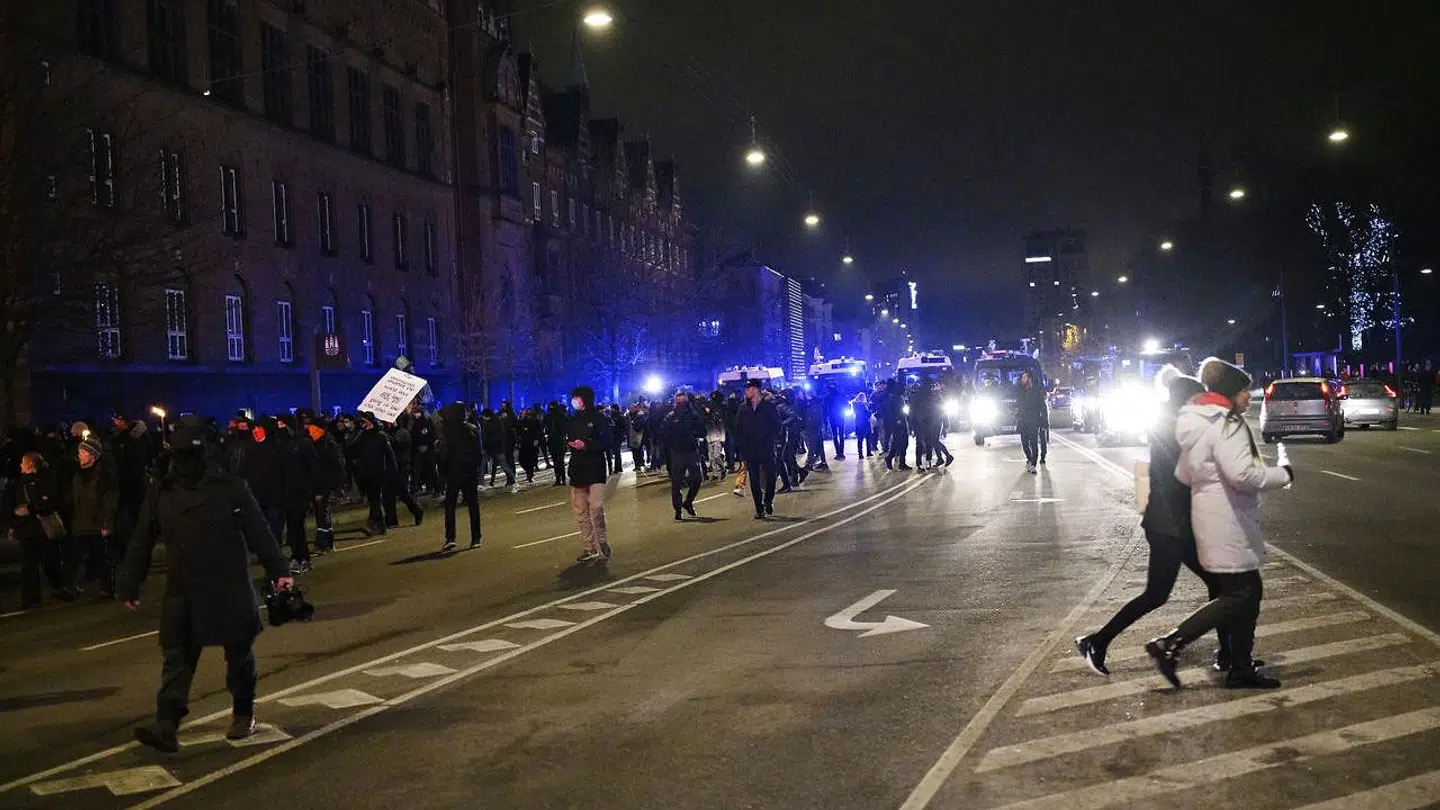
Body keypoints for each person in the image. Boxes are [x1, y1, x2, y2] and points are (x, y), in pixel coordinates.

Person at [119, 416, 294, 752]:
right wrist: (130, 582)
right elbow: (142, 538)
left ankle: (243, 712)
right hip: (183, 588)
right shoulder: (163, 490)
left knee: (238, 655)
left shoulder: (229, 487)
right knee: (177, 659)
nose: (181, 463)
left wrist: (279, 570)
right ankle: (166, 724)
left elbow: (258, 530)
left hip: (226, 584)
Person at [1145, 358, 1293, 690]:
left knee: (1243, 593)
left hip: (1210, 516)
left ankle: (1238, 664)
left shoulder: (1200, 421)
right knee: (1242, 594)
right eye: (1243, 391)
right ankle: (1172, 643)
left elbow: (1184, 473)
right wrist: (1283, 475)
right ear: (1230, 392)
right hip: (1228, 520)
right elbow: (1243, 474)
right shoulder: (1227, 424)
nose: (1248, 397)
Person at [1075, 368, 1218, 675]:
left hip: (1169, 526)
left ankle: (1097, 641)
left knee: (1170, 592)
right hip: (1173, 528)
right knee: (1216, 587)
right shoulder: (1176, 430)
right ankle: (1097, 641)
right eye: (1197, 398)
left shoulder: (1175, 426)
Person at [9, 451, 73, 607]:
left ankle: (53, 589)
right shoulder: (26, 481)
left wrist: (30, 509)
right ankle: (35, 597)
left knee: (43, 562)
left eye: (23, 462)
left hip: (39, 528)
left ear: (30, 464)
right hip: (31, 528)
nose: (20, 465)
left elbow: (47, 501)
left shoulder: (39, 480)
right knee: (34, 564)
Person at [68, 437, 120, 599]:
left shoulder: (104, 476)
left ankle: (106, 587)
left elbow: (109, 501)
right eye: (79, 452)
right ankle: (74, 586)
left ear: (93, 455)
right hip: (81, 522)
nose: (80, 455)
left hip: (97, 523)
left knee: (101, 557)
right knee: (78, 556)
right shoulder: (77, 475)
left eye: (83, 452)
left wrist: (106, 523)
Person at [566, 386, 612, 562]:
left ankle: (602, 542)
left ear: (584, 399)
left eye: (576, 398)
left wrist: (587, 445)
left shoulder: (599, 419)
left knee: (596, 508)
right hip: (578, 470)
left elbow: (606, 441)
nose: (574, 401)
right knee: (581, 512)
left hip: (595, 469)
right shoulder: (573, 420)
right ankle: (589, 547)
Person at [438, 403, 482, 552]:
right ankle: (476, 538)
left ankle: (451, 538)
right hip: (469, 472)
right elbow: (478, 453)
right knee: (472, 506)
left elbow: (444, 453)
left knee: (450, 506)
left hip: (453, 472)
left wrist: (443, 471)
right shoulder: (473, 429)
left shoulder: (447, 431)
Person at [734, 380, 782, 519]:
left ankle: (768, 501)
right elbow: (738, 428)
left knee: (771, 477)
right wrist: (741, 447)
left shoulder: (768, 406)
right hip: (750, 449)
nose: (746, 391)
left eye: (748, 389)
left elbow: (777, 425)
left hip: (766, 447)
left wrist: (772, 439)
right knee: (754, 481)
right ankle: (759, 508)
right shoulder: (743, 408)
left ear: (756, 390)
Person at [661, 391, 706, 521]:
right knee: (676, 483)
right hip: (676, 452)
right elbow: (664, 433)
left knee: (697, 479)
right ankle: (678, 509)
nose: (681, 403)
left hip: (691, 451)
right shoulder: (671, 416)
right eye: (678, 400)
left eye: (682, 400)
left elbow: (702, 431)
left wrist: (693, 435)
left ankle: (688, 502)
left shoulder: (693, 415)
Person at [351, 412, 396, 536]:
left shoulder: (380, 436)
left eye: (364, 421)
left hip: (378, 472)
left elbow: (390, 455)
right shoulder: (362, 435)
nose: (362, 423)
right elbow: (354, 449)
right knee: (373, 500)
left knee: (375, 499)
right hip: (366, 472)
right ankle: (379, 525)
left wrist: (393, 470)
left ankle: (376, 524)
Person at [306, 420, 345, 554]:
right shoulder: (314, 445)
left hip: (324, 486)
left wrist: (326, 489)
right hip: (317, 485)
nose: (309, 431)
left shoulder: (328, 446)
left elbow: (333, 468)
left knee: (322, 512)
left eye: (312, 429)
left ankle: (322, 543)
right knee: (321, 513)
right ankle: (328, 542)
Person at [383, 416, 424, 529]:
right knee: (388, 495)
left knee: (404, 493)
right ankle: (391, 521)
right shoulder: (386, 433)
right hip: (389, 467)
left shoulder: (403, 433)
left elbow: (396, 442)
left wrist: (386, 437)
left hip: (401, 467)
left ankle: (417, 510)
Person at [1016, 371, 1048, 473]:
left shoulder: (1036, 390)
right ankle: (1029, 458)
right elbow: (1018, 405)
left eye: (1024, 377)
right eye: (1022, 378)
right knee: (1024, 443)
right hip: (1023, 420)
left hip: (1033, 419)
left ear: (1029, 378)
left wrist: (1044, 421)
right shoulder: (1020, 390)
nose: (1022, 379)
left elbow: (1042, 406)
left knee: (1033, 442)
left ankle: (1033, 463)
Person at [545, 402, 569, 486]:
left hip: (556, 441)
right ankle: (560, 479)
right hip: (557, 441)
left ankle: (560, 479)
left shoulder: (552, 416)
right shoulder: (560, 416)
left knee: (557, 461)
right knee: (558, 461)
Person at [851, 393, 874, 458]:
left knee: (860, 439)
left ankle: (860, 454)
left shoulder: (855, 405)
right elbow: (867, 414)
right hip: (865, 423)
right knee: (867, 438)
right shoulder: (863, 405)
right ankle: (868, 452)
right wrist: (870, 411)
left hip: (858, 423)